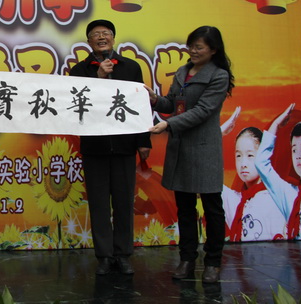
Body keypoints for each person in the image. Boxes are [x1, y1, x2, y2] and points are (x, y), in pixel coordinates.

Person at [144, 25, 234, 284]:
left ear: (213, 50)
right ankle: (187, 259)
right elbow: (173, 104)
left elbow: (203, 110)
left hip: (204, 149)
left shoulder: (218, 76)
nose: (193, 51)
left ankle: (213, 261)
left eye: (199, 47)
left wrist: (168, 124)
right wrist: (155, 99)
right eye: (191, 46)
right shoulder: (183, 72)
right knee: (184, 208)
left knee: (212, 208)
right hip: (180, 148)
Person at [69, 19, 152, 276]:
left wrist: (143, 141)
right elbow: (77, 106)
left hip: (125, 145)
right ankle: (104, 256)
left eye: (106, 33)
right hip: (94, 146)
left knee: (124, 202)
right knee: (98, 204)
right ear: (88, 41)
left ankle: (123, 254)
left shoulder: (131, 67)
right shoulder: (79, 71)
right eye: (96, 34)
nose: (101, 37)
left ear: (114, 38)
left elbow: (140, 105)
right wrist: (98, 78)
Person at [254, 103, 301, 240]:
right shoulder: (290, 195)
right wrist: (276, 126)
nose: (298, 155)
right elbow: (261, 163)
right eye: (294, 150)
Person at [222, 127, 287, 241]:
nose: (243, 164)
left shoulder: (275, 200)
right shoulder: (234, 200)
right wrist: (219, 134)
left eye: (250, 155)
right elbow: (202, 171)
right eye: (238, 156)